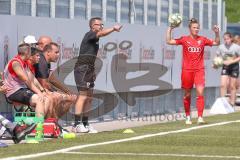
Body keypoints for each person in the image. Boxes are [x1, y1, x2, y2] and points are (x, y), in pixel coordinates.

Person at [73, 17, 122, 133]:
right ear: (92, 26)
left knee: (89, 98)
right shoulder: (90, 34)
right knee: (83, 96)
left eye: (102, 24)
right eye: (98, 24)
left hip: (89, 69)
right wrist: (114, 29)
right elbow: (102, 34)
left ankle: (85, 124)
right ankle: (76, 125)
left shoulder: (95, 38)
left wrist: (93, 71)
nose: (101, 26)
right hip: (82, 69)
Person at [166, 18, 220, 124]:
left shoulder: (203, 39)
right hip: (187, 70)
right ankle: (187, 117)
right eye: (194, 27)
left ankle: (200, 117)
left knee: (200, 92)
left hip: (199, 70)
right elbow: (169, 41)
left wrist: (217, 33)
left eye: (198, 27)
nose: (196, 29)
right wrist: (170, 29)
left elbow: (216, 43)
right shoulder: (184, 39)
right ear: (190, 29)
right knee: (187, 94)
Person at [3, 43, 48, 117]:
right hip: (13, 91)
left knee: (44, 98)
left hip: (20, 89)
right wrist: (39, 93)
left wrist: (42, 91)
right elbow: (27, 81)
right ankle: (39, 127)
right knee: (39, 100)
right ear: (27, 52)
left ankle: (43, 123)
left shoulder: (23, 63)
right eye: (30, 51)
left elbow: (32, 79)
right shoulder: (15, 63)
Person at [215, 32, 240, 106]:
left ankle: (232, 103)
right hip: (225, 67)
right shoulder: (221, 47)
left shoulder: (236, 47)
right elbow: (217, 55)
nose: (226, 41)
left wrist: (232, 61)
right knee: (223, 85)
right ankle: (223, 102)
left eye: (228, 39)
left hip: (234, 67)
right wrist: (215, 63)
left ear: (231, 39)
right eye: (225, 39)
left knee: (232, 86)